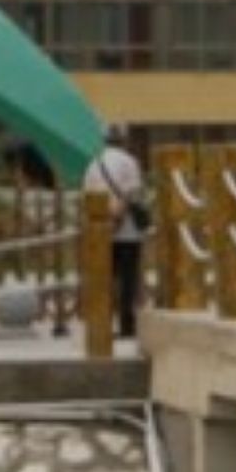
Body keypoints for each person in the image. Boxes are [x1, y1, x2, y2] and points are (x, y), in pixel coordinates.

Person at [83, 122, 150, 340]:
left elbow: (89, 195)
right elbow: (131, 194)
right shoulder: (129, 161)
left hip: (101, 231)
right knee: (127, 280)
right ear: (123, 139)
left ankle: (101, 324)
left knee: (104, 279)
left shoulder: (94, 163)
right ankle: (126, 326)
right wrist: (118, 218)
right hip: (127, 232)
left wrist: (106, 220)